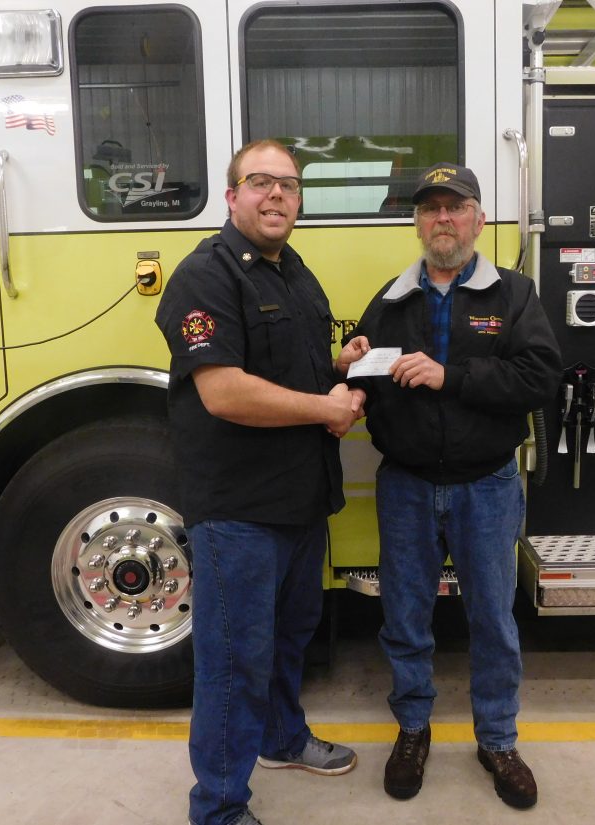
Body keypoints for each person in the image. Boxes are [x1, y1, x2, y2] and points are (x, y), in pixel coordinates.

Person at [337, 162, 561, 810]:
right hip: (406, 487)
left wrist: (450, 376)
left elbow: (540, 378)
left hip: (486, 486)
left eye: (456, 207)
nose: (443, 219)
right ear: (417, 223)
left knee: (492, 619)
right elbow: (368, 381)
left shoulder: (514, 295)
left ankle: (498, 740)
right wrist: (352, 365)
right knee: (405, 618)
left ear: (479, 220)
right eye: (431, 208)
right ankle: (413, 729)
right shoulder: (390, 300)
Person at [156, 139, 365, 825]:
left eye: (289, 185)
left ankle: (280, 738)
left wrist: (341, 368)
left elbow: (289, 373)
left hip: (300, 500)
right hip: (239, 510)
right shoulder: (205, 276)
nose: (277, 194)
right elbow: (223, 392)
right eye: (261, 182)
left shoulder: (295, 273)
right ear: (232, 196)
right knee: (235, 660)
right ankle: (218, 806)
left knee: (288, 636)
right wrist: (326, 409)